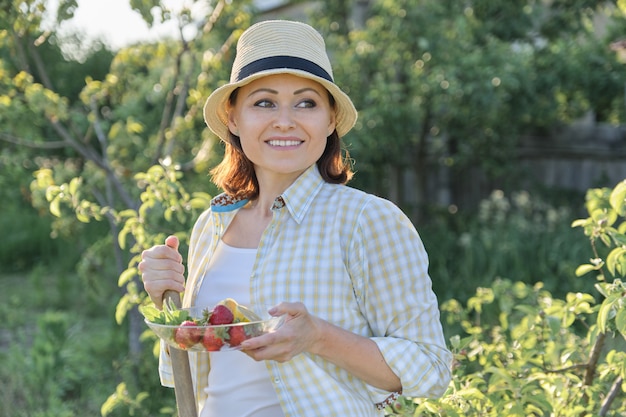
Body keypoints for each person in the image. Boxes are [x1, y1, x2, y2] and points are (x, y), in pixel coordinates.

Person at [139, 19, 452, 417]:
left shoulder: (366, 220)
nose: (285, 120)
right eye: (264, 102)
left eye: (306, 102)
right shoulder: (212, 225)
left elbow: (431, 366)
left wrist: (318, 337)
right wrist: (166, 301)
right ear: (234, 119)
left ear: (330, 119)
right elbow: (193, 367)